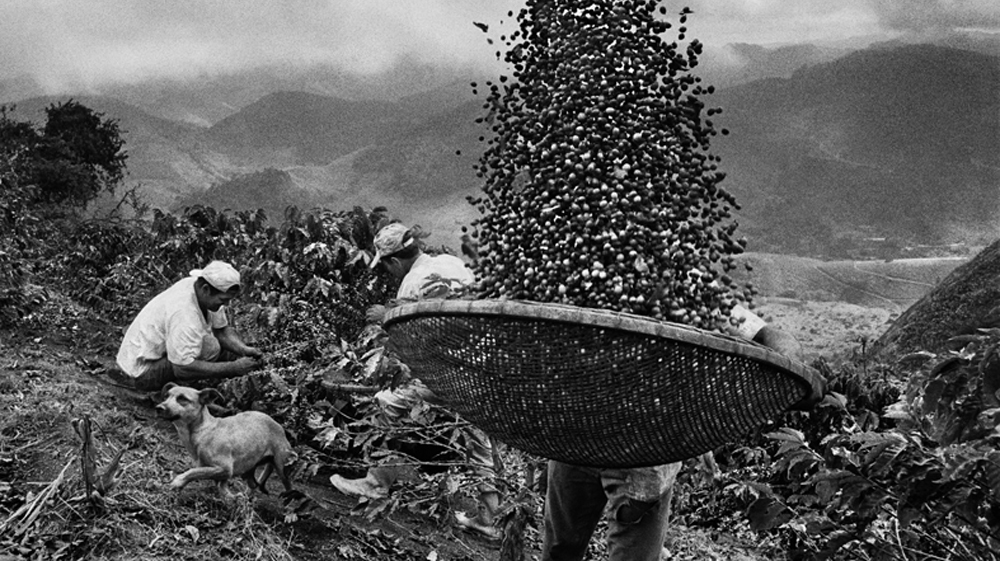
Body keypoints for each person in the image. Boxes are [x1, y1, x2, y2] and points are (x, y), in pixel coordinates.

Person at [540, 304, 803, 561]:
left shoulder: (692, 297)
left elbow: (764, 334)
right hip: (577, 441)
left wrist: (795, 370)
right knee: (559, 550)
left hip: (646, 459)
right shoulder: (585, 294)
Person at [328, 223, 502, 538]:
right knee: (477, 441)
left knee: (385, 403)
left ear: (394, 261)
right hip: (483, 368)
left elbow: (412, 342)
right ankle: (490, 519)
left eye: (386, 266)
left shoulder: (412, 283)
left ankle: (375, 484)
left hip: (449, 372)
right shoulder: (451, 263)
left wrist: (387, 317)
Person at [115, 260, 263, 391]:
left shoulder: (199, 288)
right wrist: (232, 369)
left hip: (154, 356)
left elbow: (222, 331)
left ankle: (202, 384)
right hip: (141, 372)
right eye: (223, 300)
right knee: (210, 347)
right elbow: (182, 368)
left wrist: (244, 349)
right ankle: (174, 390)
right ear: (206, 289)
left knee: (220, 342)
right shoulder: (183, 311)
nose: (226, 304)